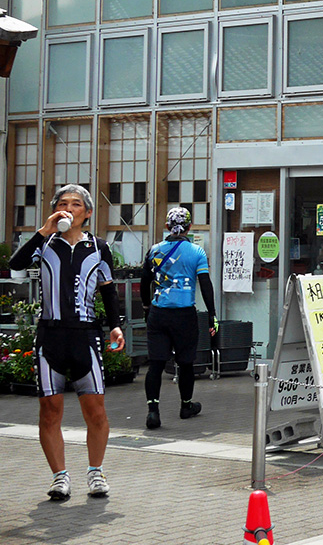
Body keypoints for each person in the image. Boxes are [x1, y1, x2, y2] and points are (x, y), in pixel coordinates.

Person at [8, 184, 124, 500]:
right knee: (49, 410)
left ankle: (95, 472)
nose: (68, 208)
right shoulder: (44, 244)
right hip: (51, 336)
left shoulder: (99, 248)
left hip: (85, 335)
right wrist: (43, 230)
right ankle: (59, 477)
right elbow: (15, 264)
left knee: (96, 411)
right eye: (62, 203)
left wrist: (115, 326)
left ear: (87, 213)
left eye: (76, 204)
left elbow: (108, 290)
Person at [141, 207, 218, 429]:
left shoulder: (154, 251)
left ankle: (153, 411)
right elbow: (205, 284)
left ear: (167, 226)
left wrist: (147, 307)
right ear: (189, 227)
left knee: (155, 363)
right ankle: (186, 405)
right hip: (185, 314)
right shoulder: (197, 253)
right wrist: (212, 314)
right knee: (185, 362)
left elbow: (145, 280)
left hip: (158, 313)